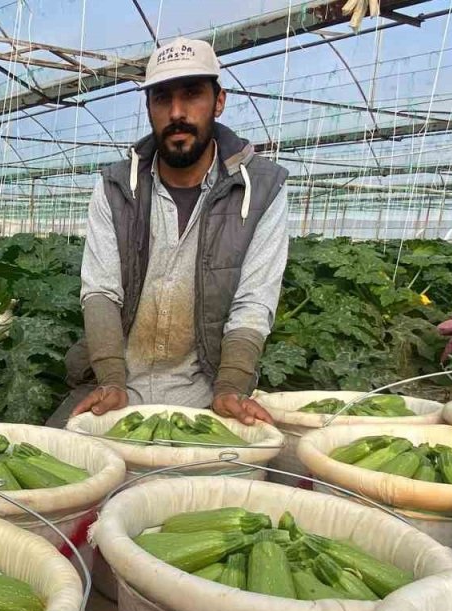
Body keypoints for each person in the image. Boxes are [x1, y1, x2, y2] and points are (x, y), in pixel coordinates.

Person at [51, 38, 289, 428]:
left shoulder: (263, 190)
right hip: (116, 389)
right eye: (162, 99)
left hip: (208, 392)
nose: (176, 112)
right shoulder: (115, 187)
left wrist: (231, 385)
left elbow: (253, 303)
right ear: (149, 108)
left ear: (219, 101)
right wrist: (110, 378)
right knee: (57, 461)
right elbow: (100, 291)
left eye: (193, 94)